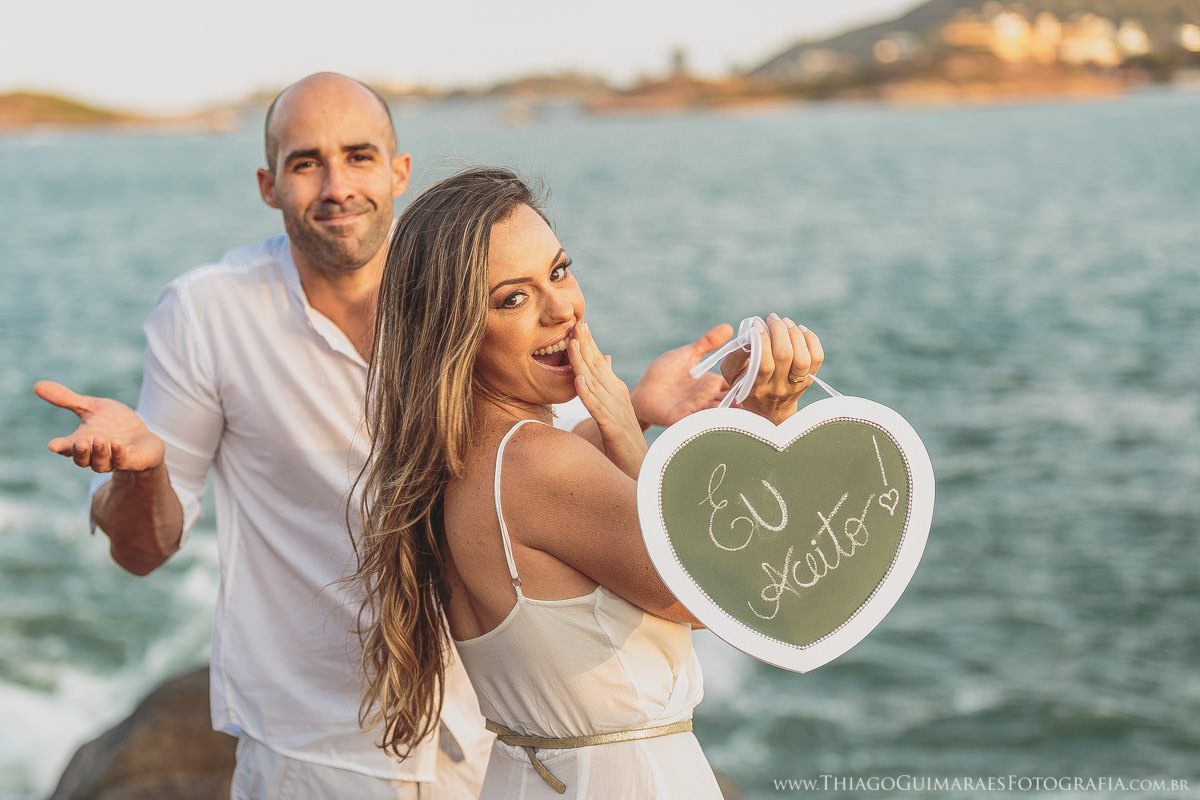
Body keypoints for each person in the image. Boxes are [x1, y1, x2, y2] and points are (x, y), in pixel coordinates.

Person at [34, 74, 731, 799]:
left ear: (398, 170)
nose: (337, 184)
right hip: (316, 749)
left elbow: (512, 476)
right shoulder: (208, 314)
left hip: (495, 728)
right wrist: (143, 471)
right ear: (269, 185)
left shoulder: (471, 275)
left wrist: (635, 411)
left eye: (360, 156)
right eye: (307, 163)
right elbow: (144, 552)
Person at [352, 166, 823, 798]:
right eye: (512, 298)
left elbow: (586, 505)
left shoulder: (466, 459)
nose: (561, 310)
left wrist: (649, 412)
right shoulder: (536, 462)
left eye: (560, 270)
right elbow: (719, 593)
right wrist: (757, 418)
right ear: (452, 330)